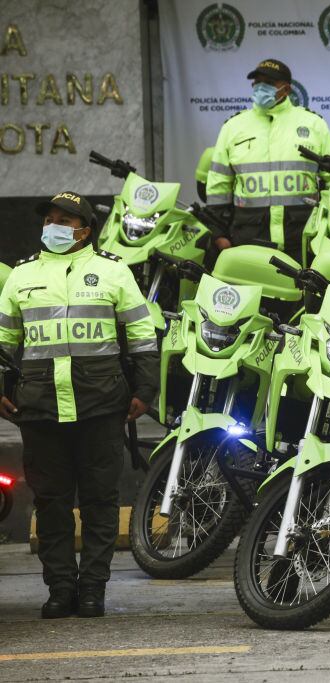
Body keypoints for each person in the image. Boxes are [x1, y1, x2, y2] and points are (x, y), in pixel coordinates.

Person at [0, 192, 159, 618]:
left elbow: (141, 334)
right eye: (48, 219)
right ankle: (59, 588)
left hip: (101, 403)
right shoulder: (22, 275)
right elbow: (3, 342)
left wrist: (145, 389)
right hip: (40, 406)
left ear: (85, 231)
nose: (52, 226)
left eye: (64, 221)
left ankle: (92, 588)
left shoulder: (113, 271)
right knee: (50, 502)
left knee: (99, 501)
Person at [205, 59, 330, 262]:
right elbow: (219, 187)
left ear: (286, 89)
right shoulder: (233, 127)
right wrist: (219, 235)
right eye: (257, 82)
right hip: (248, 240)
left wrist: (329, 234)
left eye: (268, 83)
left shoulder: (314, 125)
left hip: (303, 241)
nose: (261, 87)